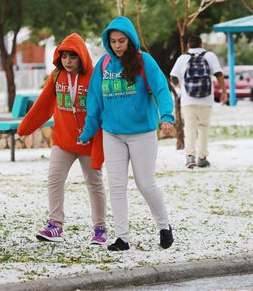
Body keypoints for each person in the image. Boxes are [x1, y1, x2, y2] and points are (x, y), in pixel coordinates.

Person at [78, 16, 174, 251]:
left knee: (145, 183)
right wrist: (87, 131)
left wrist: (167, 116)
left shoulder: (144, 61)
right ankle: (122, 238)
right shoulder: (103, 65)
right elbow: (95, 102)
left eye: (122, 41)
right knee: (117, 185)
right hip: (113, 134)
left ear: (130, 40)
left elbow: (161, 89)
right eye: (113, 41)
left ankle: (164, 226)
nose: (117, 45)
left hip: (142, 133)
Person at [17, 33, 107, 245]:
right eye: (64, 56)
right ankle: (55, 226)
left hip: (89, 141)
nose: (67, 61)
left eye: (72, 57)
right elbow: (43, 105)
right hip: (63, 141)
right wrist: (24, 128)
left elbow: (103, 108)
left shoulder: (94, 76)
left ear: (82, 57)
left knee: (94, 184)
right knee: (55, 180)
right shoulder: (56, 76)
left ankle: (100, 228)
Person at [170, 34, 228, 169]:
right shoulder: (210, 56)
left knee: (189, 128)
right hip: (206, 99)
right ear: (201, 45)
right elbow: (219, 74)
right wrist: (224, 92)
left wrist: (180, 86)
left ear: (188, 45)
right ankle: (202, 158)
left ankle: (190, 157)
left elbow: (173, 76)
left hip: (187, 100)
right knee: (203, 128)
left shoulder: (182, 58)